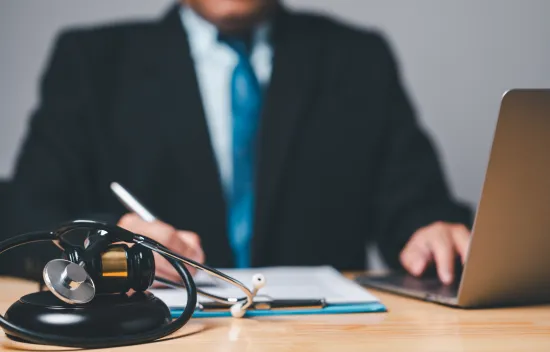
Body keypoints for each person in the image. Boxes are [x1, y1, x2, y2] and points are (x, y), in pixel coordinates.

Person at [6, 0, 472, 285]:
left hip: (325, 344)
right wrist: (108, 236)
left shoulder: (358, 58)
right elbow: (22, 214)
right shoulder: (92, 62)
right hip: (149, 342)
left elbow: (415, 204)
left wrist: (431, 231)